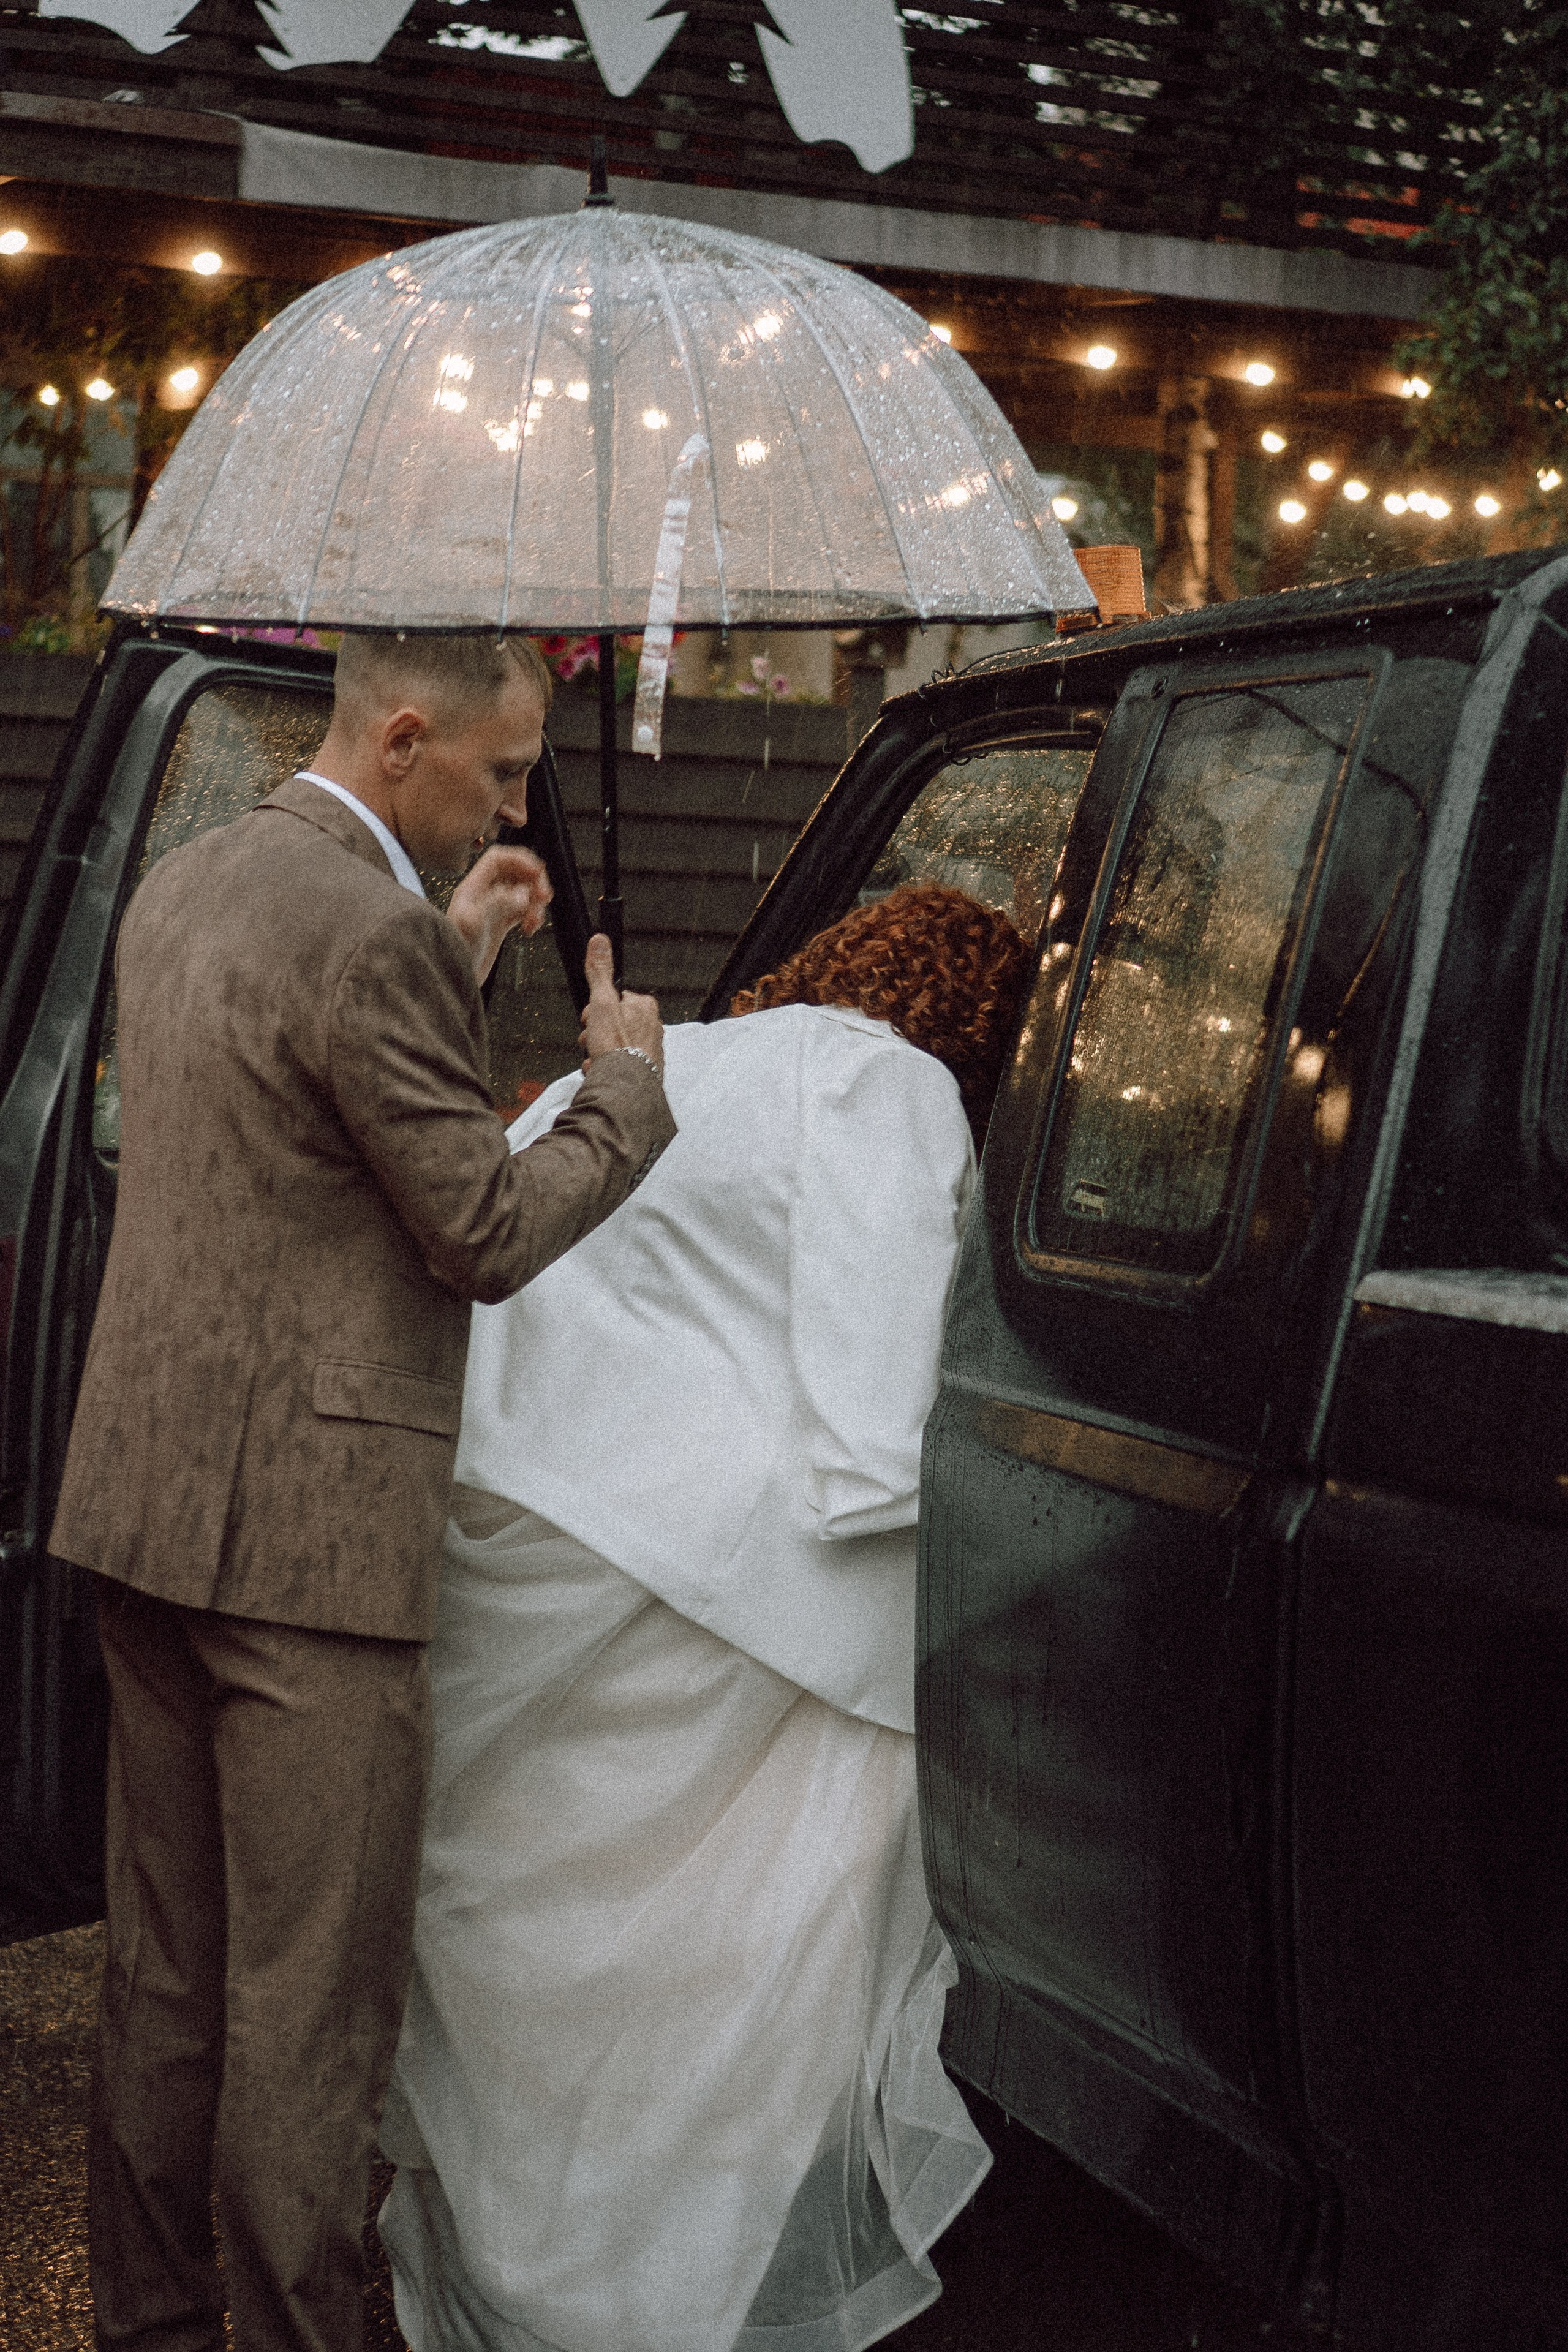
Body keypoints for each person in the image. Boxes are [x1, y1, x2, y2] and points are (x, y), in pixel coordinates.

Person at [47, 628, 675, 2352]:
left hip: (151, 1508)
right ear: (404, 739)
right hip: (313, 1555)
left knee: (168, 1990)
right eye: (499, 770)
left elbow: (295, 1132)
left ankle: (153, 2331)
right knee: (310, 2018)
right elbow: (475, 1227)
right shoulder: (374, 932)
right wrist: (622, 1092)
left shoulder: (190, 886)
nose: (516, 801)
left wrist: (454, 959)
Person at [379, 881, 1033, 2352]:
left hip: (515, 1567)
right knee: (741, 1971)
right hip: (710, 1609)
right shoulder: (898, 1086)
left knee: (550, 1969)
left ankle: (515, 2281)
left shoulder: (673, 1058)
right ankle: (659, 2302)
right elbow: (875, 1441)